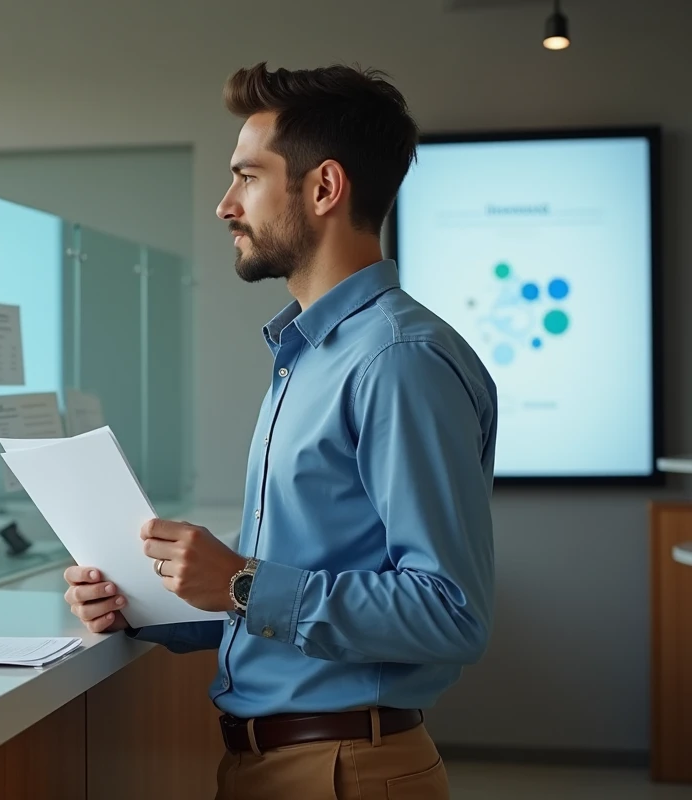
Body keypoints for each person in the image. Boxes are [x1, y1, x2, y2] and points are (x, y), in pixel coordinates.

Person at [64, 63, 497, 799]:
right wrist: (142, 602)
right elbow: (287, 591)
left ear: (324, 188)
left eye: (247, 177)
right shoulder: (310, 355)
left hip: (343, 770)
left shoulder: (396, 360)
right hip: (276, 764)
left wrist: (238, 581)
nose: (224, 205)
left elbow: (450, 613)